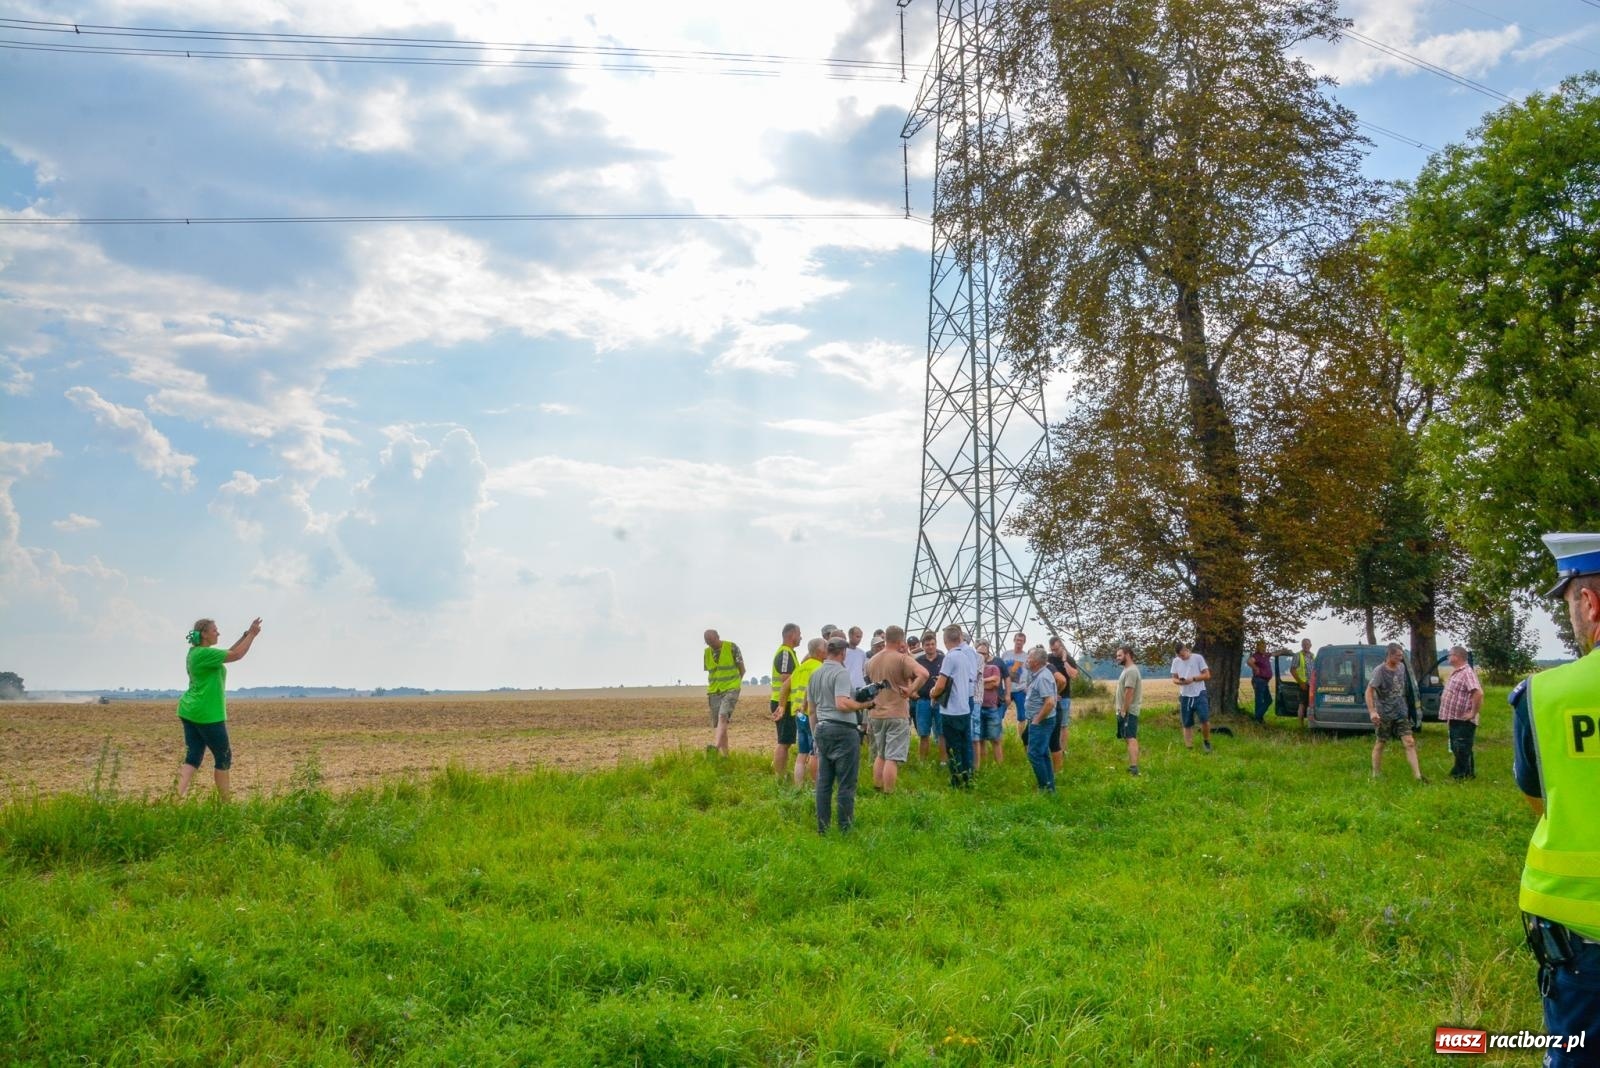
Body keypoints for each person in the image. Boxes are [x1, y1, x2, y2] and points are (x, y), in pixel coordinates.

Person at [1514, 532, 1600, 1065]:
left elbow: (1537, 802)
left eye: (1569, 602)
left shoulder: (1545, 695)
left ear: (1590, 603)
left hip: (1580, 940)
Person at [176, 616, 261, 802]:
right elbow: (237, 655)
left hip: (190, 710)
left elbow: (230, 651)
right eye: (215, 630)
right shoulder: (204, 654)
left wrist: (245, 635)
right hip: (207, 713)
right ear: (204, 634)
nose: (218, 633)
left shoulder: (196, 652)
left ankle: (174, 798)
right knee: (223, 756)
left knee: (193, 756)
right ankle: (225, 804)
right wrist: (253, 635)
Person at [808, 636, 873, 834]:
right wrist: (864, 705)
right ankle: (845, 828)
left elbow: (811, 709)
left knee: (824, 783)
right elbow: (842, 703)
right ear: (843, 652)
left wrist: (815, 735)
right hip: (843, 730)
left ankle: (823, 829)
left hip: (822, 729)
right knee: (846, 783)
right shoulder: (841, 673)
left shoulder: (815, 674)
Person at [865, 625, 927, 794]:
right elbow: (924, 673)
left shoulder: (871, 661)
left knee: (881, 754)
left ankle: (877, 787)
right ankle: (889, 793)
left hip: (876, 712)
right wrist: (911, 689)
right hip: (896, 713)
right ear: (901, 640)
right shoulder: (901, 659)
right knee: (892, 758)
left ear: (886, 639)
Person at [1366, 641, 1424, 782]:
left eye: (1401, 655)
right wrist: (1372, 711)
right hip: (1384, 713)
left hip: (1401, 712)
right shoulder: (1379, 671)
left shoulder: (1402, 667)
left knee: (1409, 742)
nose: (1400, 658)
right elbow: (1369, 691)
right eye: (1398, 655)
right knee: (1381, 742)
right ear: (1390, 655)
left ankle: (1418, 777)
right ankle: (1376, 774)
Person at [929, 624, 978, 787]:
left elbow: (941, 685)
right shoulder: (964, 655)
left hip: (951, 710)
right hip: (964, 707)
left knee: (953, 747)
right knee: (964, 746)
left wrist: (933, 693)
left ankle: (956, 780)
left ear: (945, 640)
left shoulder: (950, 657)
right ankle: (968, 777)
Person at [1438, 644, 1483, 780]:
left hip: (1464, 718)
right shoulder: (1457, 671)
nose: (1448, 657)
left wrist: (1472, 713)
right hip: (1455, 717)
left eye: (1450, 655)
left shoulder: (1466, 672)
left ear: (1457, 657)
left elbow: (1478, 693)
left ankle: (1459, 775)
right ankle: (1468, 774)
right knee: (1458, 746)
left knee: (1461, 746)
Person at [1022, 646, 1059, 792]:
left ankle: (1045, 788)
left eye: (1029, 658)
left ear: (1036, 662)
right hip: (1041, 721)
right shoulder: (1038, 674)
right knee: (1042, 753)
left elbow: (1049, 702)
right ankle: (1049, 787)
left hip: (1042, 722)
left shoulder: (1043, 677)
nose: (1027, 660)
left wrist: (1037, 720)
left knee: (1035, 754)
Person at [789, 637, 826, 786]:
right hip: (811, 714)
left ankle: (798, 785)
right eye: (825, 647)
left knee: (802, 752)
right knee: (815, 752)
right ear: (819, 651)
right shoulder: (819, 668)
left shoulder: (800, 668)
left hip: (798, 714)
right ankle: (816, 784)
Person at [703, 629, 744, 756]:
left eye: (712, 641)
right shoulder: (706, 653)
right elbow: (710, 671)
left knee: (723, 716)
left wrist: (735, 684)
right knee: (721, 725)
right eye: (708, 642)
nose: (711, 644)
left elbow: (742, 669)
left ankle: (715, 747)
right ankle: (726, 756)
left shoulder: (732, 647)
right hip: (714, 691)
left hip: (731, 688)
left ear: (718, 637)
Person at [770, 623, 802, 780]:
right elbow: (785, 678)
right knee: (783, 741)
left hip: (785, 702)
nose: (801, 637)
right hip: (783, 702)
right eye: (799, 634)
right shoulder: (784, 652)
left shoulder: (790, 652)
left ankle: (780, 772)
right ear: (792, 635)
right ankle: (779, 776)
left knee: (786, 741)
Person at [1045, 636, 1080, 773]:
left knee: (1063, 725)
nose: (1054, 652)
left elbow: (1073, 675)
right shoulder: (1048, 658)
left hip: (1064, 697)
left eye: (1056, 649)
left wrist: (1065, 660)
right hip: (1050, 696)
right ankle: (1053, 749)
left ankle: (1063, 750)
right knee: (1052, 724)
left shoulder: (1069, 659)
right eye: (1052, 649)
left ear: (1062, 646)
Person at [1171, 642, 1213, 752]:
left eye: (1182, 655)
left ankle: (1206, 741)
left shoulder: (1198, 658)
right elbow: (1174, 678)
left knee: (1204, 719)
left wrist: (1193, 679)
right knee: (1186, 722)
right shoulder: (1176, 661)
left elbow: (1207, 675)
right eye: (1179, 656)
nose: (1181, 658)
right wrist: (1179, 682)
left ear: (1186, 650)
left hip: (1199, 693)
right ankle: (1189, 747)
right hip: (1185, 695)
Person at [912, 629, 945, 763]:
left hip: (940, 700)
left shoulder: (943, 659)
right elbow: (910, 677)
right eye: (927, 644)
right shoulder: (918, 661)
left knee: (942, 733)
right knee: (923, 733)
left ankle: (944, 761)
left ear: (936, 644)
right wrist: (913, 691)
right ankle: (923, 763)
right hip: (923, 700)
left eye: (932, 644)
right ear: (923, 646)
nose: (930, 647)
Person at [974, 640, 1005, 770]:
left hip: (991, 707)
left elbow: (995, 683)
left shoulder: (994, 668)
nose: (982, 656)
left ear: (988, 655)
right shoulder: (973, 670)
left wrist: (979, 681)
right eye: (979, 653)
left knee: (996, 739)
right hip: (977, 707)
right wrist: (986, 682)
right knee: (980, 740)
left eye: (984, 653)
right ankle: (982, 768)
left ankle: (1000, 768)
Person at [1115, 644, 1143, 776]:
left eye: (1119, 655)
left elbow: (1129, 692)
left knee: (1131, 737)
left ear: (1127, 655)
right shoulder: (1126, 670)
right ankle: (1133, 766)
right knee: (1127, 737)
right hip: (1125, 710)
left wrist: (1124, 711)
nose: (1117, 658)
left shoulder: (1131, 670)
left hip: (1129, 711)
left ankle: (1134, 768)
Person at [1005, 631, 1031, 736]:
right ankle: (998, 737)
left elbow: (1031, 672)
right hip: (1007, 689)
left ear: (1024, 642)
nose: (1019, 642)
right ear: (1014, 640)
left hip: (1020, 690)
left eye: (1021, 641)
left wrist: (1028, 687)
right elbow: (1001, 670)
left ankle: (1020, 737)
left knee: (1022, 716)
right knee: (999, 713)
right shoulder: (1006, 654)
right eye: (1017, 640)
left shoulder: (1026, 657)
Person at [1248, 640, 1273, 723]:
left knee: (1267, 700)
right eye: (1262, 647)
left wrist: (1285, 651)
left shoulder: (1265, 655)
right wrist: (1255, 668)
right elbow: (1249, 661)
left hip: (1264, 681)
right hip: (1259, 680)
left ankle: (1258, 718)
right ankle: (1257, 718)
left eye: (1265, 646)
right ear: (1258, 647)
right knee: (1260, 700)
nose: (1264, 648)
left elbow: (1275, 654)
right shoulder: (1256, 656)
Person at [1292, 638, 1313, 725]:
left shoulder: (1312, 655)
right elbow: (1292, 670)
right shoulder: (1298, 655)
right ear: (1301, 645)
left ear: (1310, 645)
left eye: (1307, 644)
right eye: (1304, 644)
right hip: (1303, 684)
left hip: (1312, 684)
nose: (1305, 646)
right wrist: (1301, 683)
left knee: (1310, 705)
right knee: (1302, 705)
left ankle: (1310, 723)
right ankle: (1301, 725)